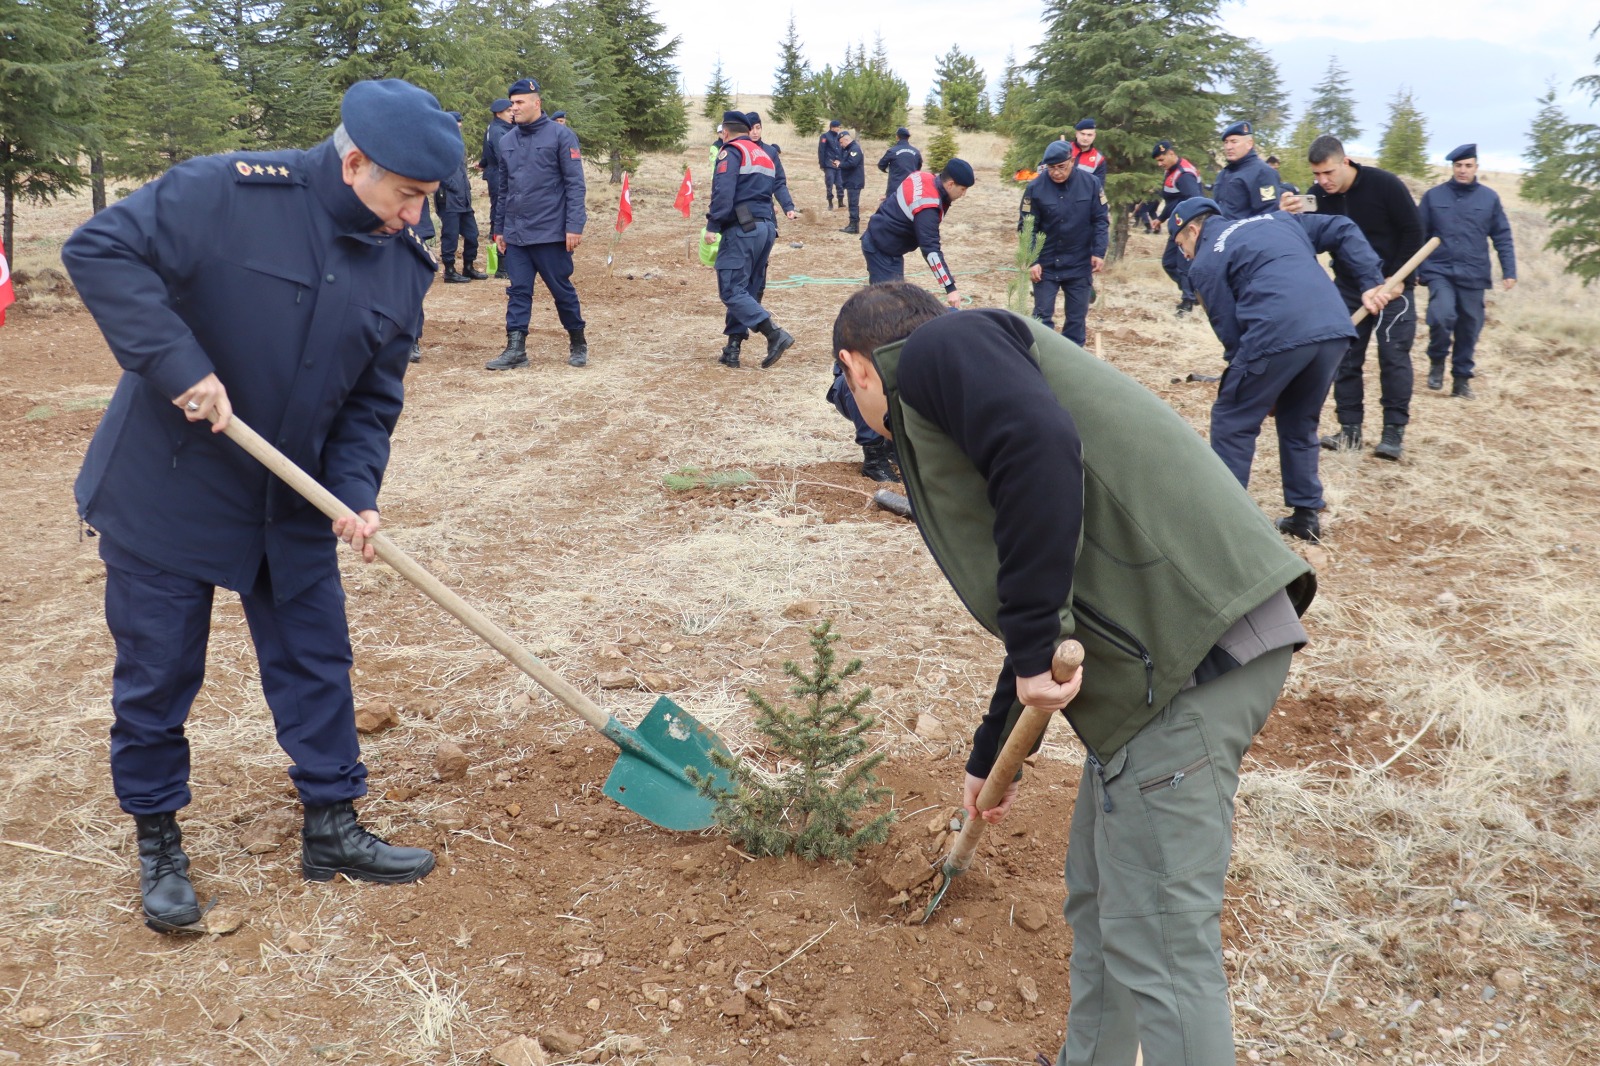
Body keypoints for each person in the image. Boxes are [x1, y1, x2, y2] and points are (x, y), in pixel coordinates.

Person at [829, 281, 1317, 1066]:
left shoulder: (940, 348)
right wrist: (994, 753)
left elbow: (1038, 448)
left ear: (856, 365)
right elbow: (1041, 585)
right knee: (1102, 905)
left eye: (847, 390)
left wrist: (1034, 647)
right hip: (1171, 663)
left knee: (1162, 944)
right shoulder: (963, 374)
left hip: (1186, 660)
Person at [61, 79, 457, 933]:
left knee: (316, 660)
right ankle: (159, 840)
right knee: (160, 671)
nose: (415, 217)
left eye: (427, 199)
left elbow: (370, 403)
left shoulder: (402, 265)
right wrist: (179, 365)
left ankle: (332, 826)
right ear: (354, 162)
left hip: (293, 496)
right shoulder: (226, 193)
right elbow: (98, 249)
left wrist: (355, 495)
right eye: (406, 194)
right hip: (169, 487)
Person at [1171, 197, 1390, 542]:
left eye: (1181, 243)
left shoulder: (1206, 261)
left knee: (1233, 418)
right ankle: (1305, 516)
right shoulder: (1279, 221)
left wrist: (1256, 384)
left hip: (1277, 329)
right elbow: (1342, 227)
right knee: (1299, 419)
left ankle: (1224, 523)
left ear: (1194, 231)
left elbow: (1230, 332)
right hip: (1334, 329)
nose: (1183, 254)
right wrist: (1371, 280)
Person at [1282, 136, 1424, 460]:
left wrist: (1398, 279)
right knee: (1344, 356)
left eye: (1328, 172)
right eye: (1317, 174)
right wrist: (1286, 211)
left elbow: (1414, 230)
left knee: (1393, 356)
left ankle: (1393, 433)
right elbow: (1302, 231)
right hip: (1349, 287)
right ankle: (1350, 430)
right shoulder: (1317, 196)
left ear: (1345, 162)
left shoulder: (1385, 185)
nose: (1323, 181)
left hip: (1393, 286)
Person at [487, 78, 589, 370]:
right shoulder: (507, 141)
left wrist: (574, 225)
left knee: (561, 290)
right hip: (516, 233)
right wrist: (499, 229)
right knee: (518, 291)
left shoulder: (561, 136)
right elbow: (503, 190)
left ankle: (578, 341)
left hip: (551, 232)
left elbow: (575, 184)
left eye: (520, 102)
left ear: (537, 103)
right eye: (512, 103)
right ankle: (516, 349)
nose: (514, 108)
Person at [1417, 144, 1516, 399]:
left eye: (1468, 166)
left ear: (1476, 167)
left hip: (1474, 272)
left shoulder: (1489, 198)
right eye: (1458, 165)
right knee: (1441, 315)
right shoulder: (1434, 197)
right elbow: (1417, 234)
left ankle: (1461, 381)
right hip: (1440, 270)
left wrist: (1509, 270)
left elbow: (1502, 236)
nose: (1463, 170)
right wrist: (1415, 269)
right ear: (1452, 167)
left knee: (1469, 327)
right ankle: (1437, 361)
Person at [704, 110, 796, 370]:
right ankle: (732, 348)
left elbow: (723, 192)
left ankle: (774, 333)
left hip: (742, 228)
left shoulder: (732, 151)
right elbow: (773, 188)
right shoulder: (764, 153)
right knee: (747, 291)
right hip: (766, 228)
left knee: (731, 289)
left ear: (725, 132)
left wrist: (713, 225)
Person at [1020, 140, 1108, 345]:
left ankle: (1073, 359)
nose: (1056, 173)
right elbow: (1027, 226)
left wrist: (1099, 252)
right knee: (1041, 318)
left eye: (1061, 167)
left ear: (1072, 161)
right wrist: (1032, 260)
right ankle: (1043, 358)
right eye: (1051, 168)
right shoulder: (1035, 188)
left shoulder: (1091, 184)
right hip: (1046, 265)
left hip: (1079, 263)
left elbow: (1100, 220)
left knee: (1076, 320)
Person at [1152, 139, 1205, 315]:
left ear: (1171, 154)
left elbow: (1195, 202)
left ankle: (1188, 302)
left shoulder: (1184, 175)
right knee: (1169, 263)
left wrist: (1190, 229)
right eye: (1157, 161)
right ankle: (1195, 293)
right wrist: (1160, 218)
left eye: (1161, 159)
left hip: (1188, 226)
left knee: (1183, 265)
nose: (1160, 164)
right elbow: (1173, 201)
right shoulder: (1171, 171)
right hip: (1178, 224)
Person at [436, 111, 486, 285]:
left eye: (459, 124)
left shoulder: (459, 143)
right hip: (448, 198)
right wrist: (451, 185)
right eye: (455, 123)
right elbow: (437, 169)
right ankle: (449, 270)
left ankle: (468, 266)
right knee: (450, 235)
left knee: (472, 234)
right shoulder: (440, 143)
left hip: (463, 198)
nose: (459, 126)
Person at [1211, 121, 1282, 219]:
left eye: (1234, 142)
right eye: (1226, 142)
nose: (1228, 147)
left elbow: (1268, 215)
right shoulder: (1223, 174)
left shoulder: (1263, 173)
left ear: (1249, 143)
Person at [478, 98, 514, 279]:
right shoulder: (499, 131)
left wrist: (483, 163)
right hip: (500, 177)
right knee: (501, 217)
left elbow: (487, 153)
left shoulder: (495, 128)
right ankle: (501, 265)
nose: (512, 113)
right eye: (508, 111)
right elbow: (505, 157)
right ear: (499, 113)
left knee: (499, 215)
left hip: (495, 174)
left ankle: (500, 264)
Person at [746, 112, 799, 228]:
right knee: (748, 236)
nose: (755, 132)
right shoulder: (739, 150)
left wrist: (788, 206)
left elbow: (779, 183)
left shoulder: (770, 152)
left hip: (766, 209)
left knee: (768, 236)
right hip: (744, 210)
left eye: (758, 128)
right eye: (751, 128)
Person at [877, 127, 922, 199]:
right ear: (908, 137)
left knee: (893, 205)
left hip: (895, 186)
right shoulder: (916, 152)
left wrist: (886, 169)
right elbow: (918, 168)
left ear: (897, 137)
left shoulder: (892, 151)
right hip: (911, 186)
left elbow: (881, 165)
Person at [836, 129, 865, 234]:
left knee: (853, 204)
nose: (841, 145)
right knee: (852, 203)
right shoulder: (849, 149)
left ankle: (854, 226)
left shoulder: (854, 149)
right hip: (851, 181)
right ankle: (852, 225)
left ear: (846, 140)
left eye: (841, 142)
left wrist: (840, 164)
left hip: (855, 181)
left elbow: (852, 163)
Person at [1067, 118, 1106, 187]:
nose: (1085, 138)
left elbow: (1098, 186)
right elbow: (1047, 170)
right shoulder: (1064, 149)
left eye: (1089, 135)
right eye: (1082, 134)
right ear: (1076, 134)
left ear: (1094, 136)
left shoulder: (1099, 159)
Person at [818, 119, 844, 210]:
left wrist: (841, 161)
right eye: (837, 127)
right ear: (832, 127)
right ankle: (830, 203)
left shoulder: (839, 137)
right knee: (829, 184)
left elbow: (842, 149)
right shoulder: (825, 136)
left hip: (838, 164)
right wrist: (822, 164)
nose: (839, 129)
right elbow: (821, 151)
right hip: (829, 164)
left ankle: (841, 202)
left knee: (840, 184)